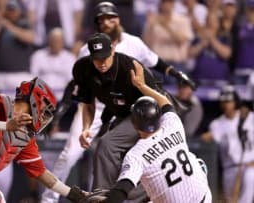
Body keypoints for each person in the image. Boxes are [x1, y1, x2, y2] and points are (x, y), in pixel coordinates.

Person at [41, 2, 196, 202]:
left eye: (105, 57)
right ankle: (104, 194)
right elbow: (87, 101)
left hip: (148, 107)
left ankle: (103, 195)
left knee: (115, 147)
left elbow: (158, 88)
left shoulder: (129, 63)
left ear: (112, 50)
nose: (102, 62)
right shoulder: (84, 66)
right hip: (117, 111)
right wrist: (86, 127)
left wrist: (173, 75)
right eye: (97, 59)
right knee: (108, 153)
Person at [103, 62, 212, 203]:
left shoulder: (136, 154)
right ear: (158, 118)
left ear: (135, 125)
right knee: (197, 162)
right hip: (204, 197)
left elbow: (123, 189)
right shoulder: (173, 124)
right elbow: (165, 103)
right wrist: (142, 86)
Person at [201, 86, 254, 203]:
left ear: (236, 102)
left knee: (251, 178)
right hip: (229, 169)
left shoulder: (249, 117)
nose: (226, 104)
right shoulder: (217, 124)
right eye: (223, 101)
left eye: (229, 101)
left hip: (249, 166)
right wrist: (208, 136)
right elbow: (209, 138)